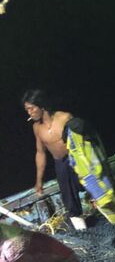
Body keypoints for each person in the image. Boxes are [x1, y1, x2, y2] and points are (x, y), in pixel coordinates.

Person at [23, 90, 83, 225]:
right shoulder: (37, 128)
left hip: (77, 159)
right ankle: (82, 228)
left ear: (41, 106)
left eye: (31, 109)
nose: (29, 113)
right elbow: (40, 153)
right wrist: (39, 180)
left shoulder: (64, 117)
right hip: (60, 163)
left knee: (91, 186)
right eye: (27, 110)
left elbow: (83, 141)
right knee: (70, 200)